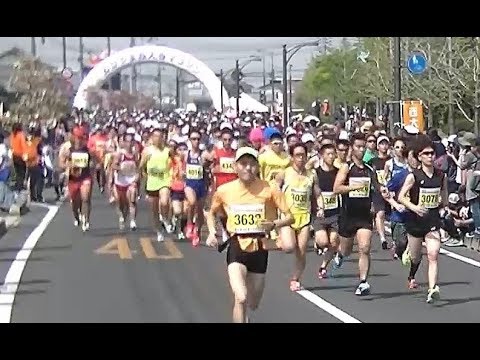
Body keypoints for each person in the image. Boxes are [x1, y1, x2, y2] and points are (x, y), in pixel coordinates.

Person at [205, 147, 294, 323]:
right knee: (241, 297)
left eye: (252, 164)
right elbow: (210, 211)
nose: (248, 168)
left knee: (253, 303)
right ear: (235, 166)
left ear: (258, 167)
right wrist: (212, 233)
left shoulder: (270, 189)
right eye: (243, 164)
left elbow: (290, 217)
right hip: (237, 246)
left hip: (260, 248)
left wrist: (274, 224)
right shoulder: (225, 190)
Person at [398, 135, 448, 304]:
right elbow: (401, 196)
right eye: (426, 153)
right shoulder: (414, 176)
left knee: (433, 254)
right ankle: (410, 261)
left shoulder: (441, 176)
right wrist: (414, 207)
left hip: (432, 220)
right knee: (415, 257)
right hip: (415, 221)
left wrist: (443, 206)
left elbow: (444, 197)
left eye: (432, 153)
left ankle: (432, 288)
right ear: (419, 156)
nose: (430, 156)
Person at [333, 132, 382, 296]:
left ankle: (363, 282)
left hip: (364, 215)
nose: (361, 150)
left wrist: (385, 192)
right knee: (346, 249)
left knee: (365, 247)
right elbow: (336, 188)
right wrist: (352, 188)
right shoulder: (347, 168)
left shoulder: (369, 169)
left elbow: (378, 187)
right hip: (348, 214)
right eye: (358, 147)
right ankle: (340, 254)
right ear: (352, 149)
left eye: (363, 147)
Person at [276, 143, 324, 291]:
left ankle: (295, 278)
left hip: (304, 217)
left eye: (303, 155)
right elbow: (274, 191)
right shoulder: (285, 173)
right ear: (292, 157)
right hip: (287, 217)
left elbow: (317, 193)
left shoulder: (311, 174)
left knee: (302, 250)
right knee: (290, 247)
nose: (301, 158)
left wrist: (321, 207)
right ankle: (280, 237)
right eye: (297, 155)